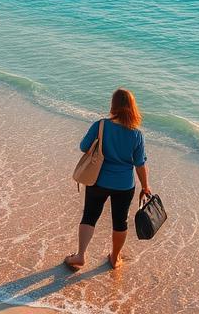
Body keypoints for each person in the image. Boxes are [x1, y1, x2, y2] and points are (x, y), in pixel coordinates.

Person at [64, 88, 150, 270]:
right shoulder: (137, 134)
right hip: (124, 185)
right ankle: (115, 257)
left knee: (89, 216)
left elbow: (83, 146)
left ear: (114, 105)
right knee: (120, 222)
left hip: (98, 180)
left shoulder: (101, 125)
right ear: (132, 107)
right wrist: (145, 186)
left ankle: (79, 257)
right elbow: (139, 164)